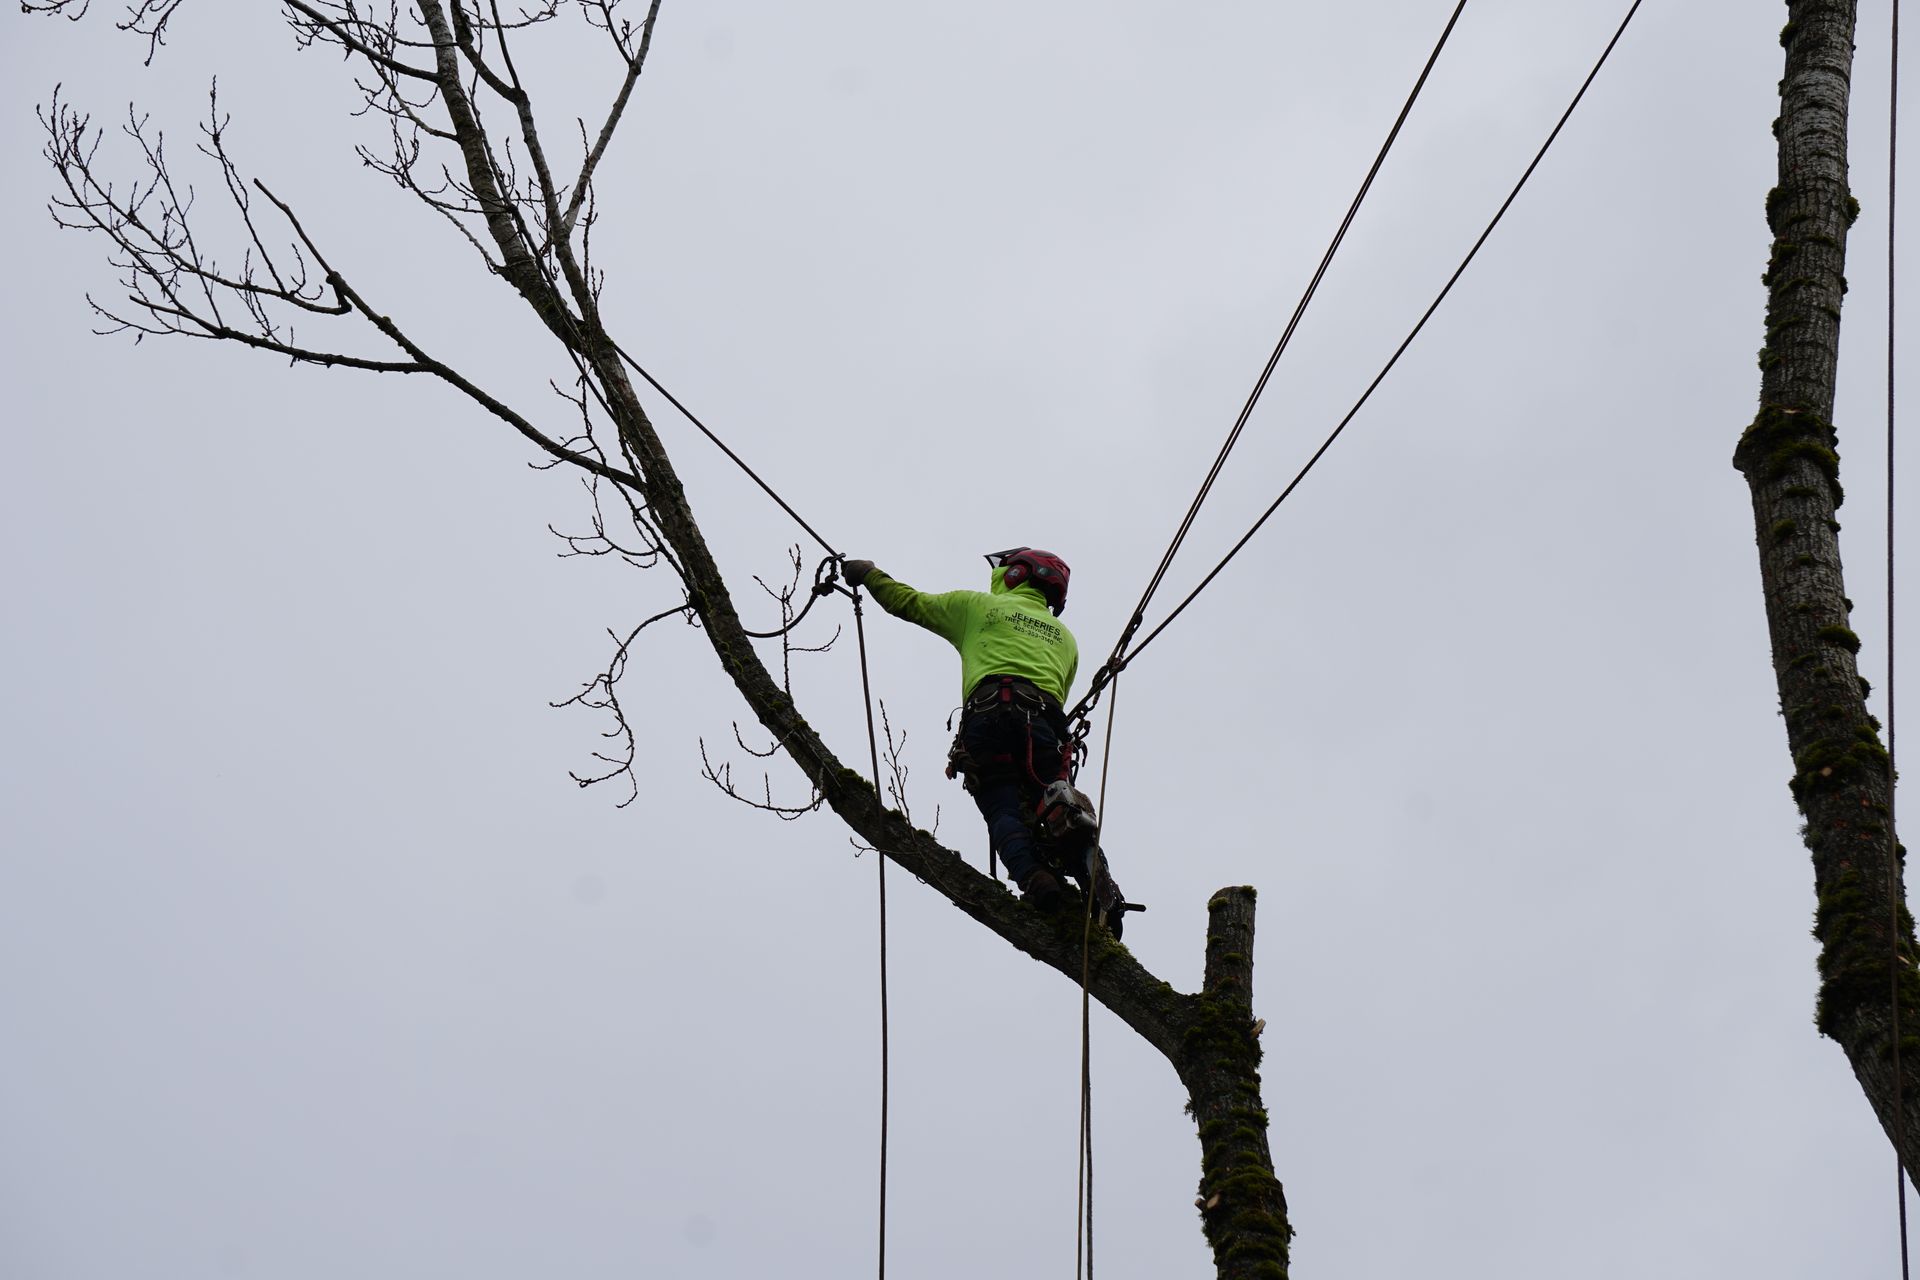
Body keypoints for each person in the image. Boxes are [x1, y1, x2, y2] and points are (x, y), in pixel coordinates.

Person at [841, 548, 1114, 919]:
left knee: (1001, 805)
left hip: (987, 717)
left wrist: (869, 574)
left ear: (1015, 575)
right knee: (1057, 806)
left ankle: (1036, 878)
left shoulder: (977, 607)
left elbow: (907, 602)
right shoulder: (1066, 640)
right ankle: (1097, 878)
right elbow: (1058, 693)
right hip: (1043, 725)